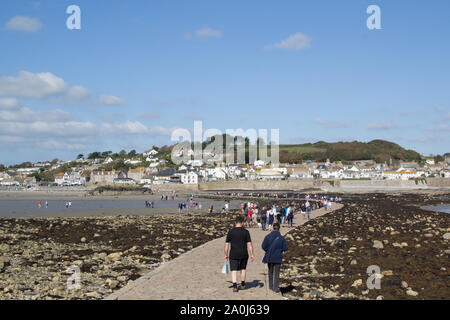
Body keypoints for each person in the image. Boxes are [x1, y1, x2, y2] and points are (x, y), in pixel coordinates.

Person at [224, 216, 255, 292]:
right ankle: (243, 284)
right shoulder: (246, 232)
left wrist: (226, 254)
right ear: (242, 223)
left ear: (235, 222)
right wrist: (252, 254)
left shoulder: (231, 232)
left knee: (233, 269)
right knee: (243, 269)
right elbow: (249, 244)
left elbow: (227, 245)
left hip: (233, 253)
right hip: (244, 253)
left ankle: (235, 285)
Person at [262, 222, 288, 294]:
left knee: (270, 272)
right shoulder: (281, 238)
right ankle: (275, 287)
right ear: (279, 229)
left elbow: (263, 246)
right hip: (278, 257)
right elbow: (285, 248)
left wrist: (268, 250)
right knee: (276, 273)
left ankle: (270, 286)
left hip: (269, 256)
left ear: (273, 228)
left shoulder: (268, 236)